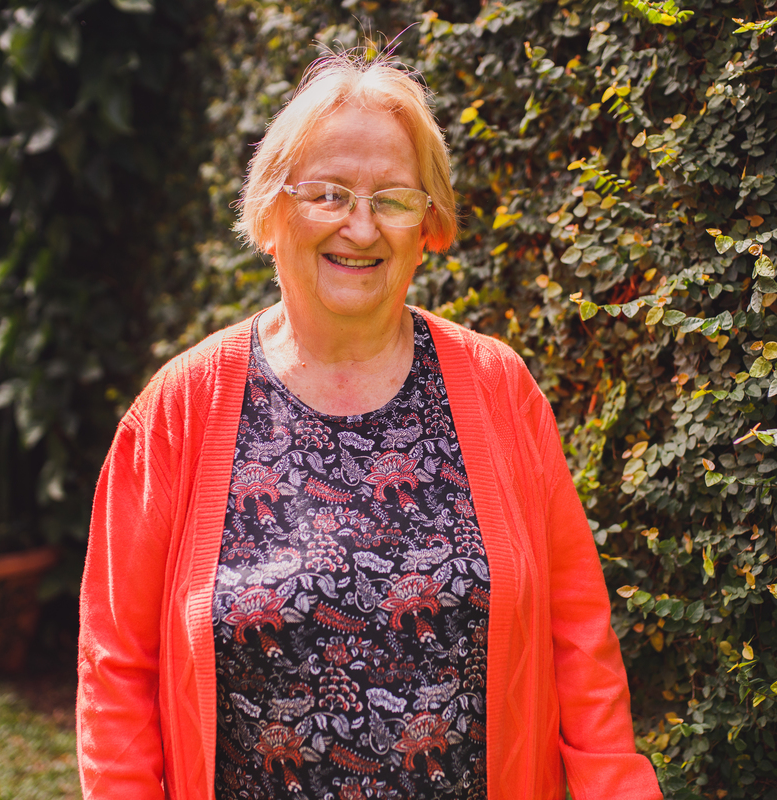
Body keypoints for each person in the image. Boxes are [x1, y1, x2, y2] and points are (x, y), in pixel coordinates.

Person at [76, 49, 663, 800]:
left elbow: (580, 645)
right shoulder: (178, 411)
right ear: (271, 213)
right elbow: (117, 668)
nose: (360, 227)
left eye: (392, 198)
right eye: (327, 194)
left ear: (428, 225)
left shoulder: (498, 389)